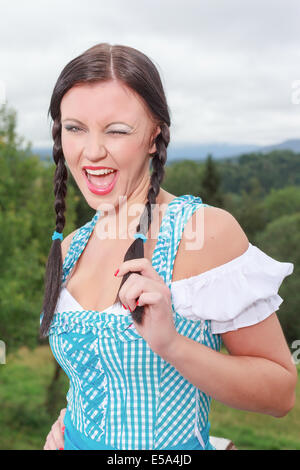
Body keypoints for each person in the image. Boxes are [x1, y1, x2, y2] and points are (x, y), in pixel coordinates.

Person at [41, 43, 297, 451]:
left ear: (153, 134)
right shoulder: (71, 246)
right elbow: (96, 376)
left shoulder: (204, 232)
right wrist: (71, 421)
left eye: (117, 130)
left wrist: (172, 344)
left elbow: (280, 394)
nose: (91, 152)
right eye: (75, 128)